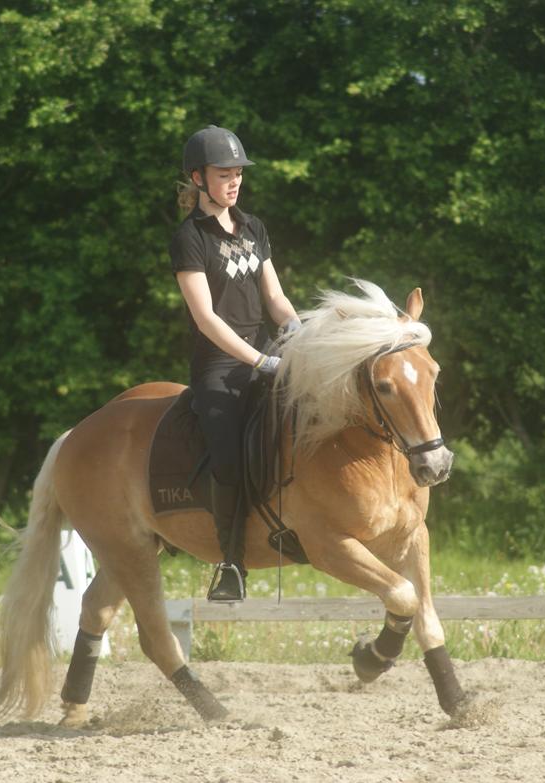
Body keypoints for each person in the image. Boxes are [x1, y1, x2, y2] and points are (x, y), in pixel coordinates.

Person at [170, 125, 301, 602]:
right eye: (225, 175)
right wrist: (259, 362)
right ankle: (230, 563)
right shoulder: (189, 239)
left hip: (267, 350)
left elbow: (277, 298)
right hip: (219, 366)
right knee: (227, 455)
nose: (235, 182)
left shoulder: (253, 228)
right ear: (198, 178)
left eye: (238, 175)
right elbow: (205, 318)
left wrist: (300, 334)